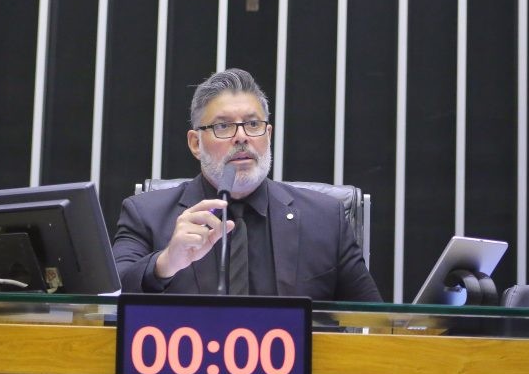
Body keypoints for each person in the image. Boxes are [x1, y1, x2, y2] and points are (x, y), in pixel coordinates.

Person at [113, 68, 381, 302]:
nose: (242, 137)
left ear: (268, 134)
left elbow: (373, 324)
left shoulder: (324, 219)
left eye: (253, 124)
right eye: (223, 127)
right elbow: (106, 300)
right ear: (196, 143)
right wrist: (166, 262)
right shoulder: (146, 214)